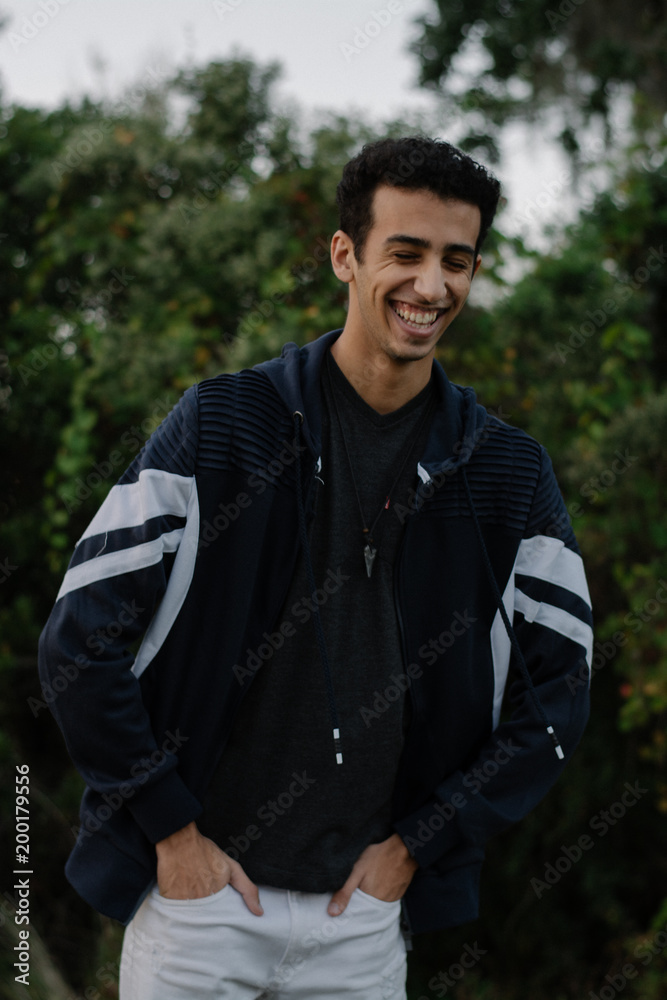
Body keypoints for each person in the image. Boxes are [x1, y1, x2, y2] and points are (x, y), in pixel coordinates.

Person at [38, 136, 593, 999]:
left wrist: (420, 842)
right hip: (199, 905)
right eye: (403, 254)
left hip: (361, 920)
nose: (431, 286)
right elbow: (77, 641)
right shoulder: (225, 423)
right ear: (345, 255)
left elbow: (558, 695)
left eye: (456, 260)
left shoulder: (507, 473)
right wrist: (171, 832)